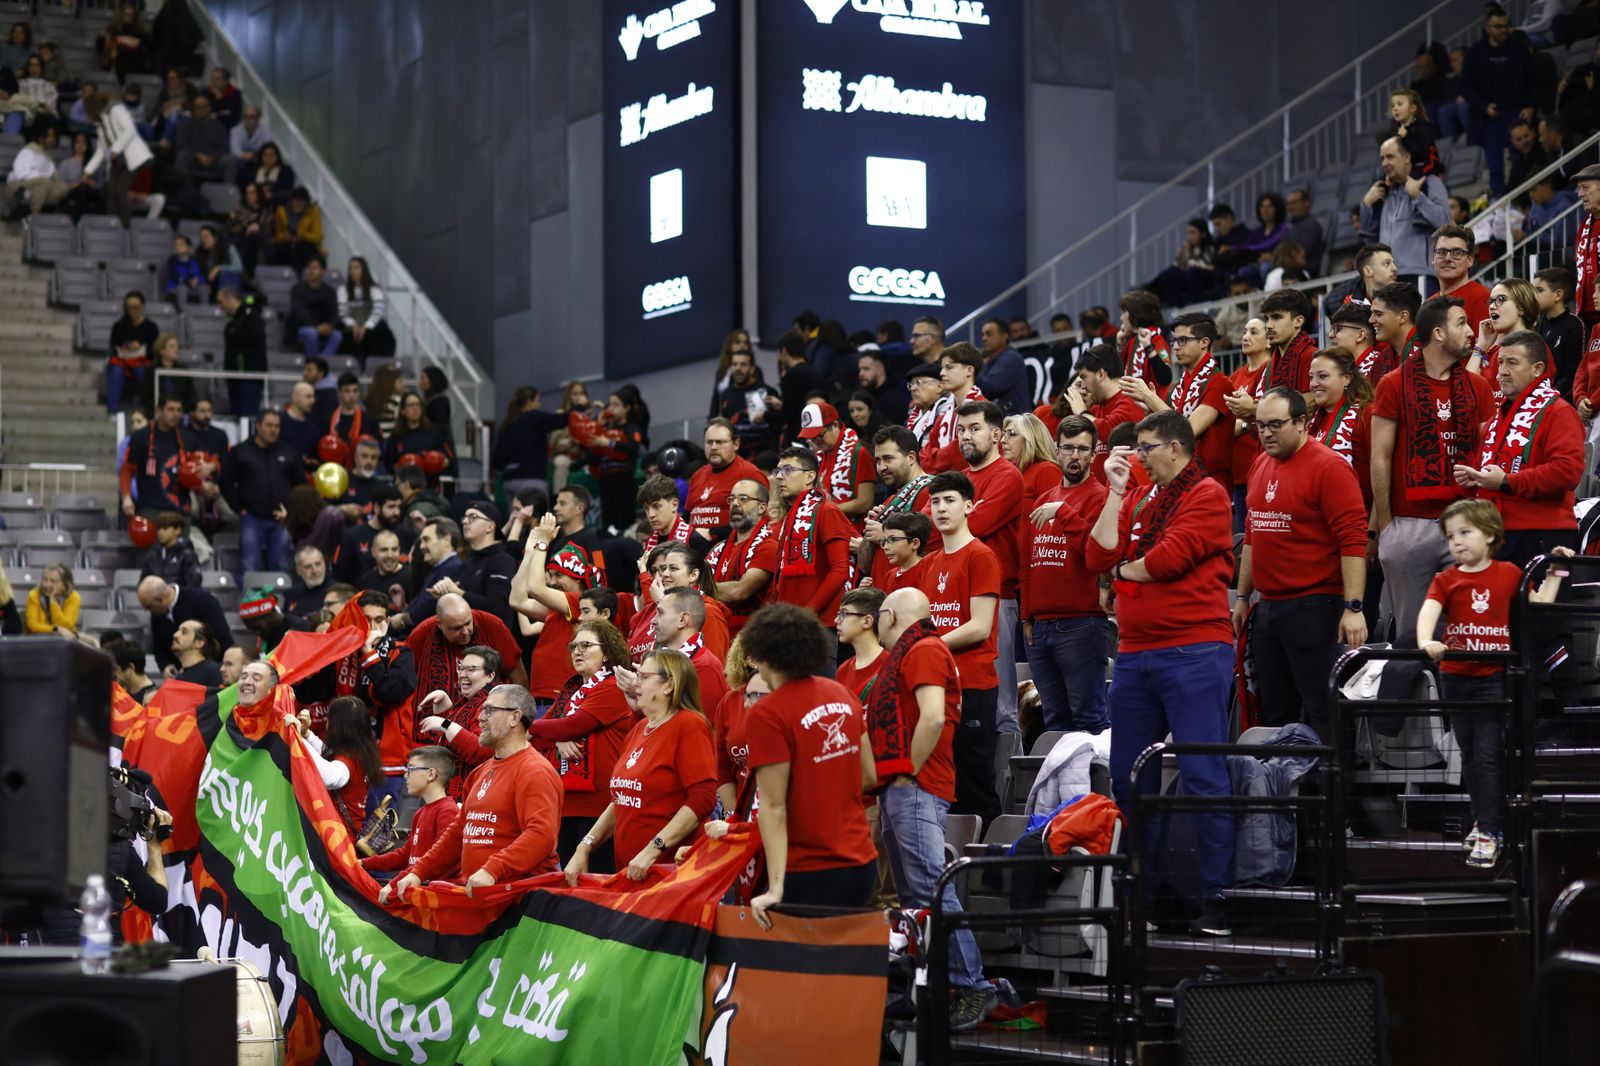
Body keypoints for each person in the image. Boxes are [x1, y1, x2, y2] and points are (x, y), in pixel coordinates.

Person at [1086, 411, 1235, 936]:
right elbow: (1095, 552)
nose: (1136, 455)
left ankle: (1218, 897)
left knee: (1203, 777)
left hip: (1194, 651)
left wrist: (1119, 571)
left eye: (1145, 447)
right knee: (1131, 779)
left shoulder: (1208, 494)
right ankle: (1140, 899)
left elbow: (1167, 560)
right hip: (1134, 655)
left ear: (1176, 448)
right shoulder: (1140, 495)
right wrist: (1113, 493)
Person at [870, 587, 998, 1032]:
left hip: (917, 785)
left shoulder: (923, 649)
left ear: (889, 616)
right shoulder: (913, 652)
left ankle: (972, 984)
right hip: (903, 784)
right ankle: (932, 989)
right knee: (913, 900)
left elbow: (933, 717)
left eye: (878, 614)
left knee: (929, 888)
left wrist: (907, 771)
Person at [1234, 388, 1369, 739]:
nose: (1265, 433)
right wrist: (1242, 597)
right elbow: (1252, 534)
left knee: (1324, 708)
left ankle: (1335, 791)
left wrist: (1353, 607)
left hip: (1315, 606)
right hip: (1269, 608)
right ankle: (1288, 790)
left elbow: (1353, 540)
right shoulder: (1260, 463)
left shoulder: (1330, 467)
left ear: (1302, 423)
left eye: (1275, 425)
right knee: (1275, 712)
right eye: (1260, 424)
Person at [738, 603, 878, 921]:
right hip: (860, 862)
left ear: (763, 655)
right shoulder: (842, 694)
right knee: (843, 968)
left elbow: (772, 807)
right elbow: (869, 775)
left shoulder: (767, 712)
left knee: (801, 969)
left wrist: (774, 888)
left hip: (809, 869)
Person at [1370, 296, 1496, 645]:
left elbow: (1489, 452)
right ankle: (1418, 700)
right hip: (1409, 527)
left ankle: (1461, 700)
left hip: (1466, 520)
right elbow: (1379, 457)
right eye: (1462, 323)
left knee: (1468, 633)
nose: (1471, 331)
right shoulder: (1392, 384)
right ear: (1438, 333)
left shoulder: (1479, 386)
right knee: (1414, 638)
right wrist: (1386, 527)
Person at [387, 685, 564, 900]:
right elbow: (458, 832)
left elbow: (541, 836)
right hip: (482, 898)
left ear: (515, 717)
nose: (480, 717)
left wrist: (492, 870)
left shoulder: (535, 771)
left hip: (519, 904)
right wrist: (417, 872)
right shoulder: (480, 772)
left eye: (489, 710)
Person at [563, 649, 717, 884]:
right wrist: (585, 846)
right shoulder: (639, 728)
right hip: (633, 872)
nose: (636, 683)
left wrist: (654, 848)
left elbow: (702, 799)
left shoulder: (689, 725)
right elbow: (621, 798)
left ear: (669, 685)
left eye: (644, 677)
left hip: (670, 873)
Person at [1453, 330, 1584, 565]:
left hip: (1543, 538)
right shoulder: (1497, 418)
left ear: (1537, 369)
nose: (1501, 371)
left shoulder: (1560, 412)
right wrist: (1476, 479)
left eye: (1512, 363)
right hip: (1498, 535)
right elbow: (1495, 473)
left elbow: (1567, 472)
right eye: (1500, 362)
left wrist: (1506, 482)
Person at [917, 471, 1002, 825]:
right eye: (935, 501)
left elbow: (980, 626)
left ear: (969, 506)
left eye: (949, 500)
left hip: (972, 682)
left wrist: (927, 646)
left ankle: (990, 874)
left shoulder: (981, 555)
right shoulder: (931, 562)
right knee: (944, 781)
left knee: (974, 781)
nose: (940, 508)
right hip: (938, 682)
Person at [1022, 415, 1111, 734]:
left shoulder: (1100, 498)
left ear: (1093, 454)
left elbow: (1097, 555)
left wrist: (1065, 514)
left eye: (1083, 449)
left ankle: (1099, 785)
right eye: (1068, 448)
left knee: (1090, 720)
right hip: (1040, 627)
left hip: (1081, 624)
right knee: (1054, 723)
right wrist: (1027, 616)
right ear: (1056, 451)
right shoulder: (1045, 499)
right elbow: (1028, 561)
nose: (1075, 456)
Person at [526, 620, 635, 871]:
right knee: (570, 881)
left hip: (600, 805)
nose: (577, 651)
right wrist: (557, 736)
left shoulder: (613, 686)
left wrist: (528, 724)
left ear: (606, 652)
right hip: (566, 801)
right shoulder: (570, 690)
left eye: (586, 645)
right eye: (574, 645)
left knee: (600, 880)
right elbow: (548, 732)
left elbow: (576, 724)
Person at [950, 401, 1025, 732]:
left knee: (1002, 707)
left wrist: (952, 520)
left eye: (975, 428)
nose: (966, 436)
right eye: (962, 430)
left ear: (996, 434)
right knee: (963, 701)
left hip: (997, 598)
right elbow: (926, 526)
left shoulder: (1008, 475)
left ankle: (1008, 783)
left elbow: (976, 524)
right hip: (956, 597)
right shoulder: (959, 480)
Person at [1116, 312, 1233, 491]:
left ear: (1204, 342)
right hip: (1179, 478)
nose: (1176, 347)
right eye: (1175, 341)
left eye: (1184, 340)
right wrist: (1150, 409)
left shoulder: (1220, 384)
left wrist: (1150, 397)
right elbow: (1166, 429)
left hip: (1210, 481)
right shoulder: (1176, 388)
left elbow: (1187, 431)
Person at [768, 446, 854, 657]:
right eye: (778, 471)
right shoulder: (792, 516)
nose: (780, 477)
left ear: (809, 476)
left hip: (817, 627)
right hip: (788, 625)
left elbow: (841, 570)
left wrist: (807, 613)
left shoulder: (827, 511)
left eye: (788, 470)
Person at [511, 515, 593, 709]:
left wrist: (543, 545)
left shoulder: (578, 602)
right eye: (551, 575)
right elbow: (517, 600)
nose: (553, 581)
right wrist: (530, 555)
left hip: (561, 699)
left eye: (559, 575)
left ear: (577, 579)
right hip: (541, 697)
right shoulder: (556, 608)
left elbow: (536, 589)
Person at [220, 408, 301, 581]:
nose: (273, 430)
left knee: (281, 565)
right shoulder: (240, 451)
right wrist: (239, 508)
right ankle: (250, 607)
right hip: (251, 518)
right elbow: (225, 482)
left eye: (277, 426)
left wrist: (291, 510)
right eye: (269, 425)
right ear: (258, 426)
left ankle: (279, 606)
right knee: (249, 565)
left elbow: (300, 485)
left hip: (281, 519)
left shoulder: (289, 452)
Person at [1462, 6, 1535, 198]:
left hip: (1517, 114)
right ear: (1488, 28)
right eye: (1498, 27)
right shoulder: (1475, 53)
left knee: (1521, 161)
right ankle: (1500, 207)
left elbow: (1532, 79)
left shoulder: (1519, 48)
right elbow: (1467, 88)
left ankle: (1525, 202)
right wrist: (1483, 106)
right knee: (1495, 168)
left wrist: (1530, 105)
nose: (1503, 30)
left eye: (1506, 26)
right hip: (1491, 119)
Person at [415, 645, 504, 798]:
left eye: (471, 669)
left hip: (470, 798)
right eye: (461, 668)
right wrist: (446, 710)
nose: (463, 675)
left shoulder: (491, 704)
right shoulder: (468, 702)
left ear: (490, 676)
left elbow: (482, 750)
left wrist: (446, 724)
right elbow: (456, 738)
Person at [359, 746, 460, 882]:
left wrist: (396, 882)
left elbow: (442, 860)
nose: (406, 775)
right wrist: (362, 863)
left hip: (433, 895)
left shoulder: (448, 811)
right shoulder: (420, 813)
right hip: (417, 889)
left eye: (411, 769)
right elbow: (406, 855)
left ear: (431, 774)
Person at [1359, 138, 1451, 283]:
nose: (1385, 163)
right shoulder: (1385, 193)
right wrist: (1365, 205)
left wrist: (1417, 196)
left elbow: (1444, 223)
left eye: (1390, 157)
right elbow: (1370, 241)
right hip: (1389, 279)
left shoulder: (1430, 182)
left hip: (1419, 276)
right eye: (1382, 158)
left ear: (1407, 157)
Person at [406, 593, 527, 703]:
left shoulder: (492, 625)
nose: (465, 632)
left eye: (468, 623)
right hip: (438, 715)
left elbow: (517, 674)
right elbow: (408, 684)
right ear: (439, 624)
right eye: (456, 628)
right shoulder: (420, 636)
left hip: (490, 711)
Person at [1307, 348, 1377, 513]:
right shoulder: (1312, 418)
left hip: (1357, 516)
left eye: (1322, 376)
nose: (1314, 383)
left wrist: (1373, 530)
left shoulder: (1366, 414)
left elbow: (1381, 475)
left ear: (1346, 378)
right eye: (1311, 377)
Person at [1063, 344, 1145, 481]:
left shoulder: (1132, 400)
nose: (1082, 385)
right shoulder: (1095, 409)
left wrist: (1082, 414)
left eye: (1084, 377)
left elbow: (1109, 430)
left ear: (1101, 374)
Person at [707, 478, 776, 633]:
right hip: (716, 631)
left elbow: (739, 592)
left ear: (761, 507)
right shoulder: (718, 548)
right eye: (732, 499)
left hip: (750, 638)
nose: (735, 504)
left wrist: (696, 588)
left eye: (744, 499)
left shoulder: (769, 546)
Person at [80, 89, 153, 226]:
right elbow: (101, 150)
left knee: (120, 191)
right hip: (117, 160)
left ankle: (126, 227)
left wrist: (115, 149)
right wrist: (87, 172)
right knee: (111, 193)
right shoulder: (100, 126)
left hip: (132, 158)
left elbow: (130, 130)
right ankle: (112, 224)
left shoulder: (116, 110)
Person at [652, 586, 730, 713]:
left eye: (660, 613)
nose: (653, 621)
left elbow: (701, 727)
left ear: (683, 620)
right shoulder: (661, 661)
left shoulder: (705, 666)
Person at [136, 575, 233, 676]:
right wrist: (166, 665)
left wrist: (198, 668)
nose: (147, 611)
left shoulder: (202, 600)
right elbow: (158, 647)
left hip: (212, 671)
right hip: (181, 675)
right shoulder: (157, 613)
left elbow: (221, 640)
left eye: (148, 606)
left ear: (160, 600)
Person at [800, 401, 875, 524]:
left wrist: (823, 510)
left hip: (854, 531)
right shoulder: (823, 454)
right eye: (811, 438)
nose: (816, 441)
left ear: (835, 425)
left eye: (819, 435)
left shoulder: (859, 453)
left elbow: (865, 502)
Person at [119, 395, 192, 519]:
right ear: (159, 411)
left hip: (180, 511)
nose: (175, 414)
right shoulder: (141, 437)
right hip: (150, 509)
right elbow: (127, 469)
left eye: (179, 410)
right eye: (170, 409)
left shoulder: (188, 438)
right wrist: (126, 497)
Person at [687, 418, 763, 535]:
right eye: (709, 442)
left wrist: (712, 533)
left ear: (736, 444)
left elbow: (758, 520)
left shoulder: (750, 474)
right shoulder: (697, 475)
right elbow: (687, 514)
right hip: (692, 548)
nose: (713, 447)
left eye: (719, 442)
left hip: (730, 547)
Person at [1471, 277, 1541, 404]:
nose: (1492, 306)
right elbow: (1464, 389)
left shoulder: (1536, 350)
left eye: (1501, 300)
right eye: (1491, 301)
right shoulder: (1491, 351)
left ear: (1521, 308)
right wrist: (1481, 346)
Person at [921, 343, 987, 474]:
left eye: (949, 367)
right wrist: (948, 454)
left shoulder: (984, 410)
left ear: (969, 370)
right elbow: (923, 460)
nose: (941, 373)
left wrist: (937, 456)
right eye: (942, 368)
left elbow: (963, 457)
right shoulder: (943, 416)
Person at [393, 518, 464, 631]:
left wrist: (402, 619)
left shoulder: (452, 568)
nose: (421, 546)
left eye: (426, 540)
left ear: (446, 540)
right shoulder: (438, 568)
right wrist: (404, 608)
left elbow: (429, 607)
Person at [1429, 224, 1492, 333]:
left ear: (1470, 260)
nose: (1448, 258)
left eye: (1457, 253)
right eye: (1441, 252)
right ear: (1433, 258)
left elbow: (1486, 348)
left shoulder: (1482, 298)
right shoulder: (1428, 304)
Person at [1535, 266, 1587, 398]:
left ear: (1558, 295)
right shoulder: (1540, 323)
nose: (1533, 296)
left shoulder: (1575, 325)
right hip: (1539, 396)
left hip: (1560, 402)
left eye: (1539, 290)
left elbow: (1573, 374)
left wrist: (1549, 398)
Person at [336, 256, 397, 365]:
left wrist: (367, 326)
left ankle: (377, 366)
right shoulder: (343, 289)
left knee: (380, 335)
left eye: (356, 268)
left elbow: (377, 312)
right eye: (350, 268)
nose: (353, 271)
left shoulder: (374, 289)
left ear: (364, 270)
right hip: (351, 323)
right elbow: (342, 313)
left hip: (370, 322)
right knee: (347, 336)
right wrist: (353, 325)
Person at [106, 291, 159, 414]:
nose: (132, 311)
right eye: (129, 308)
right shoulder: (119, 326)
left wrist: (140, 347)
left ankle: (144, 410)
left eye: (136, 307)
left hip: (142, 362)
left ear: (142, 306)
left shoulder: (151, 327)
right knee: (116, 371)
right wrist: (125, 348)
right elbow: (113, 349)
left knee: (142, 371)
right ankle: (112, 411)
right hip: (123, 361)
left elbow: (154, 351)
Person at [383, 391, 454, 481]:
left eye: (418, 404)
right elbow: (388, 463)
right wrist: (397, 466)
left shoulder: (434, 432)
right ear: (403, 411)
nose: (415, 408)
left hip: (431, 484)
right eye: (411, 405)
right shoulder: (396, 436)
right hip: (405, 485)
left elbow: (449, 457)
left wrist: (444, 461)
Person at [1323, 243, 1399, 323]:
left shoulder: (1404, 296)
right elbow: (1328, 304)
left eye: (1393, 263)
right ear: (1368, 271)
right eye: (1387, 263)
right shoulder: (1346, 298)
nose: (1394, 268)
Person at [288, 256, 342, 358]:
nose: (311, 271)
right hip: (303, 327)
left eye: (315, 268)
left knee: (337, 335)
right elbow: (299, 311)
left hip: (325, 328)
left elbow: (335, 312)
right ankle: (313, 362)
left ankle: (322, 362)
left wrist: (331, 325)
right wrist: (316, 326)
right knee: (311, 333)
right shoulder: (298, 289)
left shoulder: (330, 291)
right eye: (310, 268)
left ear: (323, 271)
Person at [1116, 289, 1171, 389]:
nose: (1121, 318)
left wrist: (1149, 348)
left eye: (1124, 312)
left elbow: (1166, 378)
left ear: (1136, 314)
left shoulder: (1155, 338)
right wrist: (1120, 344)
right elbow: (1117, 375)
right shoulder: (1132, 340)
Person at [977, 317, 1029, 416]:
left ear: (1004, 336)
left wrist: (976, 368)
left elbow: (989, 389)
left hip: (1017, 424)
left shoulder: (1011, 358)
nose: (984, 338)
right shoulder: (989, 360)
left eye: (989, 334)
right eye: (983, 335)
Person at [268, 185, 324, 269]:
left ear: (305, 203)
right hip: (287, 243)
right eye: (295, 203)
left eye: (300, 203)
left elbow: (318, 237)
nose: (297, 206)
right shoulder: (282, 211)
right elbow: (278, 235)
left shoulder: (313, 213)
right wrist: (284, 236)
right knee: (280, 250)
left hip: (305, 244)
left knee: (303, 248)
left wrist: (303, 235)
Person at [1574, 165, 1600, 333]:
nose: (1580, 194)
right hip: (1588, 315)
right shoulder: (1585, 224)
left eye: (1585, 188)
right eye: (1579, 189)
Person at [24, 563, 79, 637]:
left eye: (52, 581)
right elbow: (33, 626)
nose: (46, 584)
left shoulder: (73, 597)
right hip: (40, 638)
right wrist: (56, 629)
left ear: (64, 584)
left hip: (66, 639)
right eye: (45, 580)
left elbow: (66, 626)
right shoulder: (34, 595)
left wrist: (52, 601)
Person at [858, 348, 910, 425]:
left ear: (881, 369)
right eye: (860, 369)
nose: (860, 374)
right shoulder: (865, 396)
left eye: (866, 369)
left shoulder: (893, 399)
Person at [169, 619, 222, 688]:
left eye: (184, 632)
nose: (175, 635)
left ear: (199, 643)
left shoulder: (213, 672)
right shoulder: (178, 677)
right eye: (177, 631)